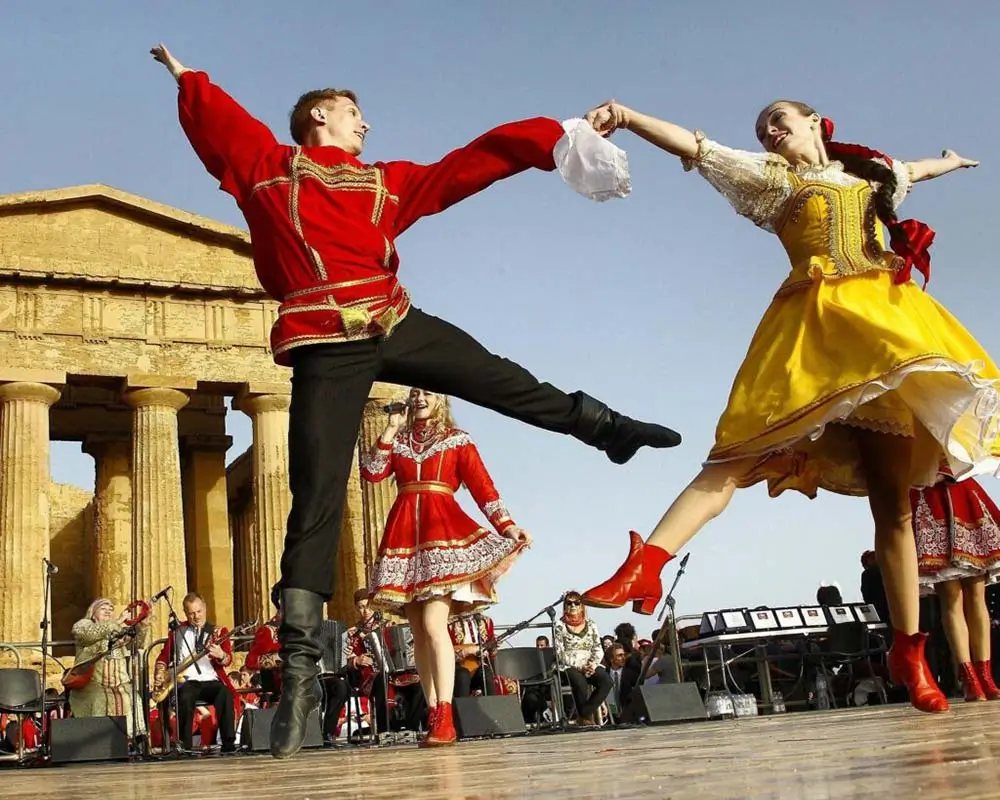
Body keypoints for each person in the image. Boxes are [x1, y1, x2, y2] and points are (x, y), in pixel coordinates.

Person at [149, 43, 681, 759]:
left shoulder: (385, 183)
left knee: (499, 378)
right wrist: (189, 78)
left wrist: (555, 136)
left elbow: (467, 165)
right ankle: (301, 675)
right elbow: (220, 122)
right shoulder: (268, 168)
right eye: (355, 115)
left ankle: (605, 427)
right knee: (313, 503)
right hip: (327, 341)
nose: (366, 127)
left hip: (395, 319)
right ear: (319, 117)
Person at [580, 98, 994, 715]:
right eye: (763, 128)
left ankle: (909, 650)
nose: (770, 130)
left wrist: (949, 162)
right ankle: (649, 561)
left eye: (779, 119)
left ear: (815, 121)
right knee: (740, 451)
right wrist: (632, 118)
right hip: (816, 334)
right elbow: (698, 149)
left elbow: (912, 169)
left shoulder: (869, 177)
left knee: (895, 507)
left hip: (886, 333)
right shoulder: (774, 182)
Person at [361, 388, 529, 745]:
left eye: (428, 393)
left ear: (441, 400)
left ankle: (446, 715)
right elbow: (372, 473)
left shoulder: (457, 440)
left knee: (436, 624)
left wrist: (507, 526)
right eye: (415, 392)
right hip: (404, 534)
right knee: (418, 631)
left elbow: (483, 487)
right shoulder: (401, 440)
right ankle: (433, 708)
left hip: (443, 532)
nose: (420, 398)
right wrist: (390, 429)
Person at [911, 471, 1000, 701]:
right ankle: (969, 676)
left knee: (977, 594)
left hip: (961, 491)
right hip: (931, 493)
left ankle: (985, 674)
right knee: (952, 598)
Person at [154, 593, 237, 752]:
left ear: (205, 609)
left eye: (199, 611)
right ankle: (186, 746)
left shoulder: (218, 632)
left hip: (211, 680)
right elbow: (164, 656)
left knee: (225, 693)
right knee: (186, 696)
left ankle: (229, 744)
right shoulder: (178, 632)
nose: (196, 616)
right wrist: (160, 673)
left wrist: (221, 655)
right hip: (186, 680)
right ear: (185, 613)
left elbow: (228, 660)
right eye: (192, 613)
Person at [68, 598, 152, 738]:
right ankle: (96, 740)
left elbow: (138, 645)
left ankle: (127, 741)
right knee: (98, 698)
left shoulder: (119, 629)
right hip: (92, 682)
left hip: (119, 683)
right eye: (103, 609)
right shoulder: (83, 625)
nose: (108, 612)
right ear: (93, 613)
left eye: (110, 610)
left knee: (131, 697)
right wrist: (117, 622)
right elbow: (87, 635)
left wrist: (143, 625)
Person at [552, 591, 611, 725]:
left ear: (582, 605)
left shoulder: (591, 624)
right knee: (580, 682)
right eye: (569, 603)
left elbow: (597, 647)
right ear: (564, 606)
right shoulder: (559, 626)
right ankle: (586, 718)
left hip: (590, 663)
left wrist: (592, 664)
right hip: (568, 665)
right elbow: (560, 653)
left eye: (577, 602)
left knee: (606, 681)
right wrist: (580, 666)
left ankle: (584, 714)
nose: (573, 606)